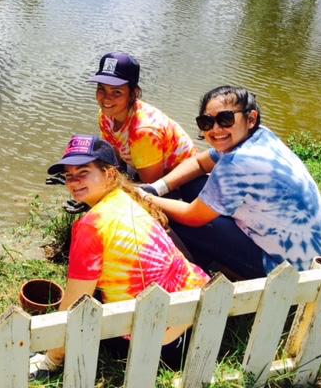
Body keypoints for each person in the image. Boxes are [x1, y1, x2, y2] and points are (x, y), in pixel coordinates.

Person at [29, 135, 210, 380]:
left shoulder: (92, 226)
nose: (73, 182)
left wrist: (51, 359)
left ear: (110, 174)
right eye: (69, 175)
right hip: (198, 316)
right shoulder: (127, 199)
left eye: (83, 172)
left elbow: (75, 305)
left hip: (161, 345)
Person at [146, 86, 321, 280]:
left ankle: (205, 271)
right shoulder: (259, 136)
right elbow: (200, 163)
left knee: (171, 222)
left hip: (285, 269)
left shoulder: (238, 163)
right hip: (310, 253)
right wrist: (157, 188)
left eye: (225, 119)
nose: (216, 129)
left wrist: (145, 197)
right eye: (207, 122)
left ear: (251, 118)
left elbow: (193, 216)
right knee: (190, 184)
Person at [88, 52, 197, 184]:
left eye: (117, 92)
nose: (106, 98)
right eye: (101, 89)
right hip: (144, 164)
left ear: (134, 93)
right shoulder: (106, 115)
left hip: (182, 180)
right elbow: (114, 157)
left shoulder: (144, 130)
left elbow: (152, 185)